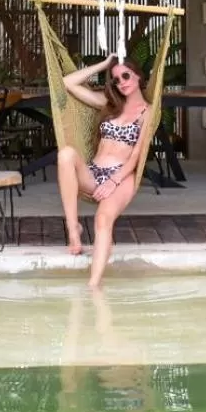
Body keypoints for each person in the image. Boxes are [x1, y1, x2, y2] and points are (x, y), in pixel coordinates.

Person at [56, 55, 152, 289]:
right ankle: (73, 228)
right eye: (117, 79)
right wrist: (104, 65)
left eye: (126, 76)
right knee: (65, 154)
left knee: (102, 219)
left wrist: (114, 181)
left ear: (138, 76)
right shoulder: (109, 105)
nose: (122, 82)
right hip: (94, 172)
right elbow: (67, 83)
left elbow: (137, 155)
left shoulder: (147, 112)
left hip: (122, 176)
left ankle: (93, 286)